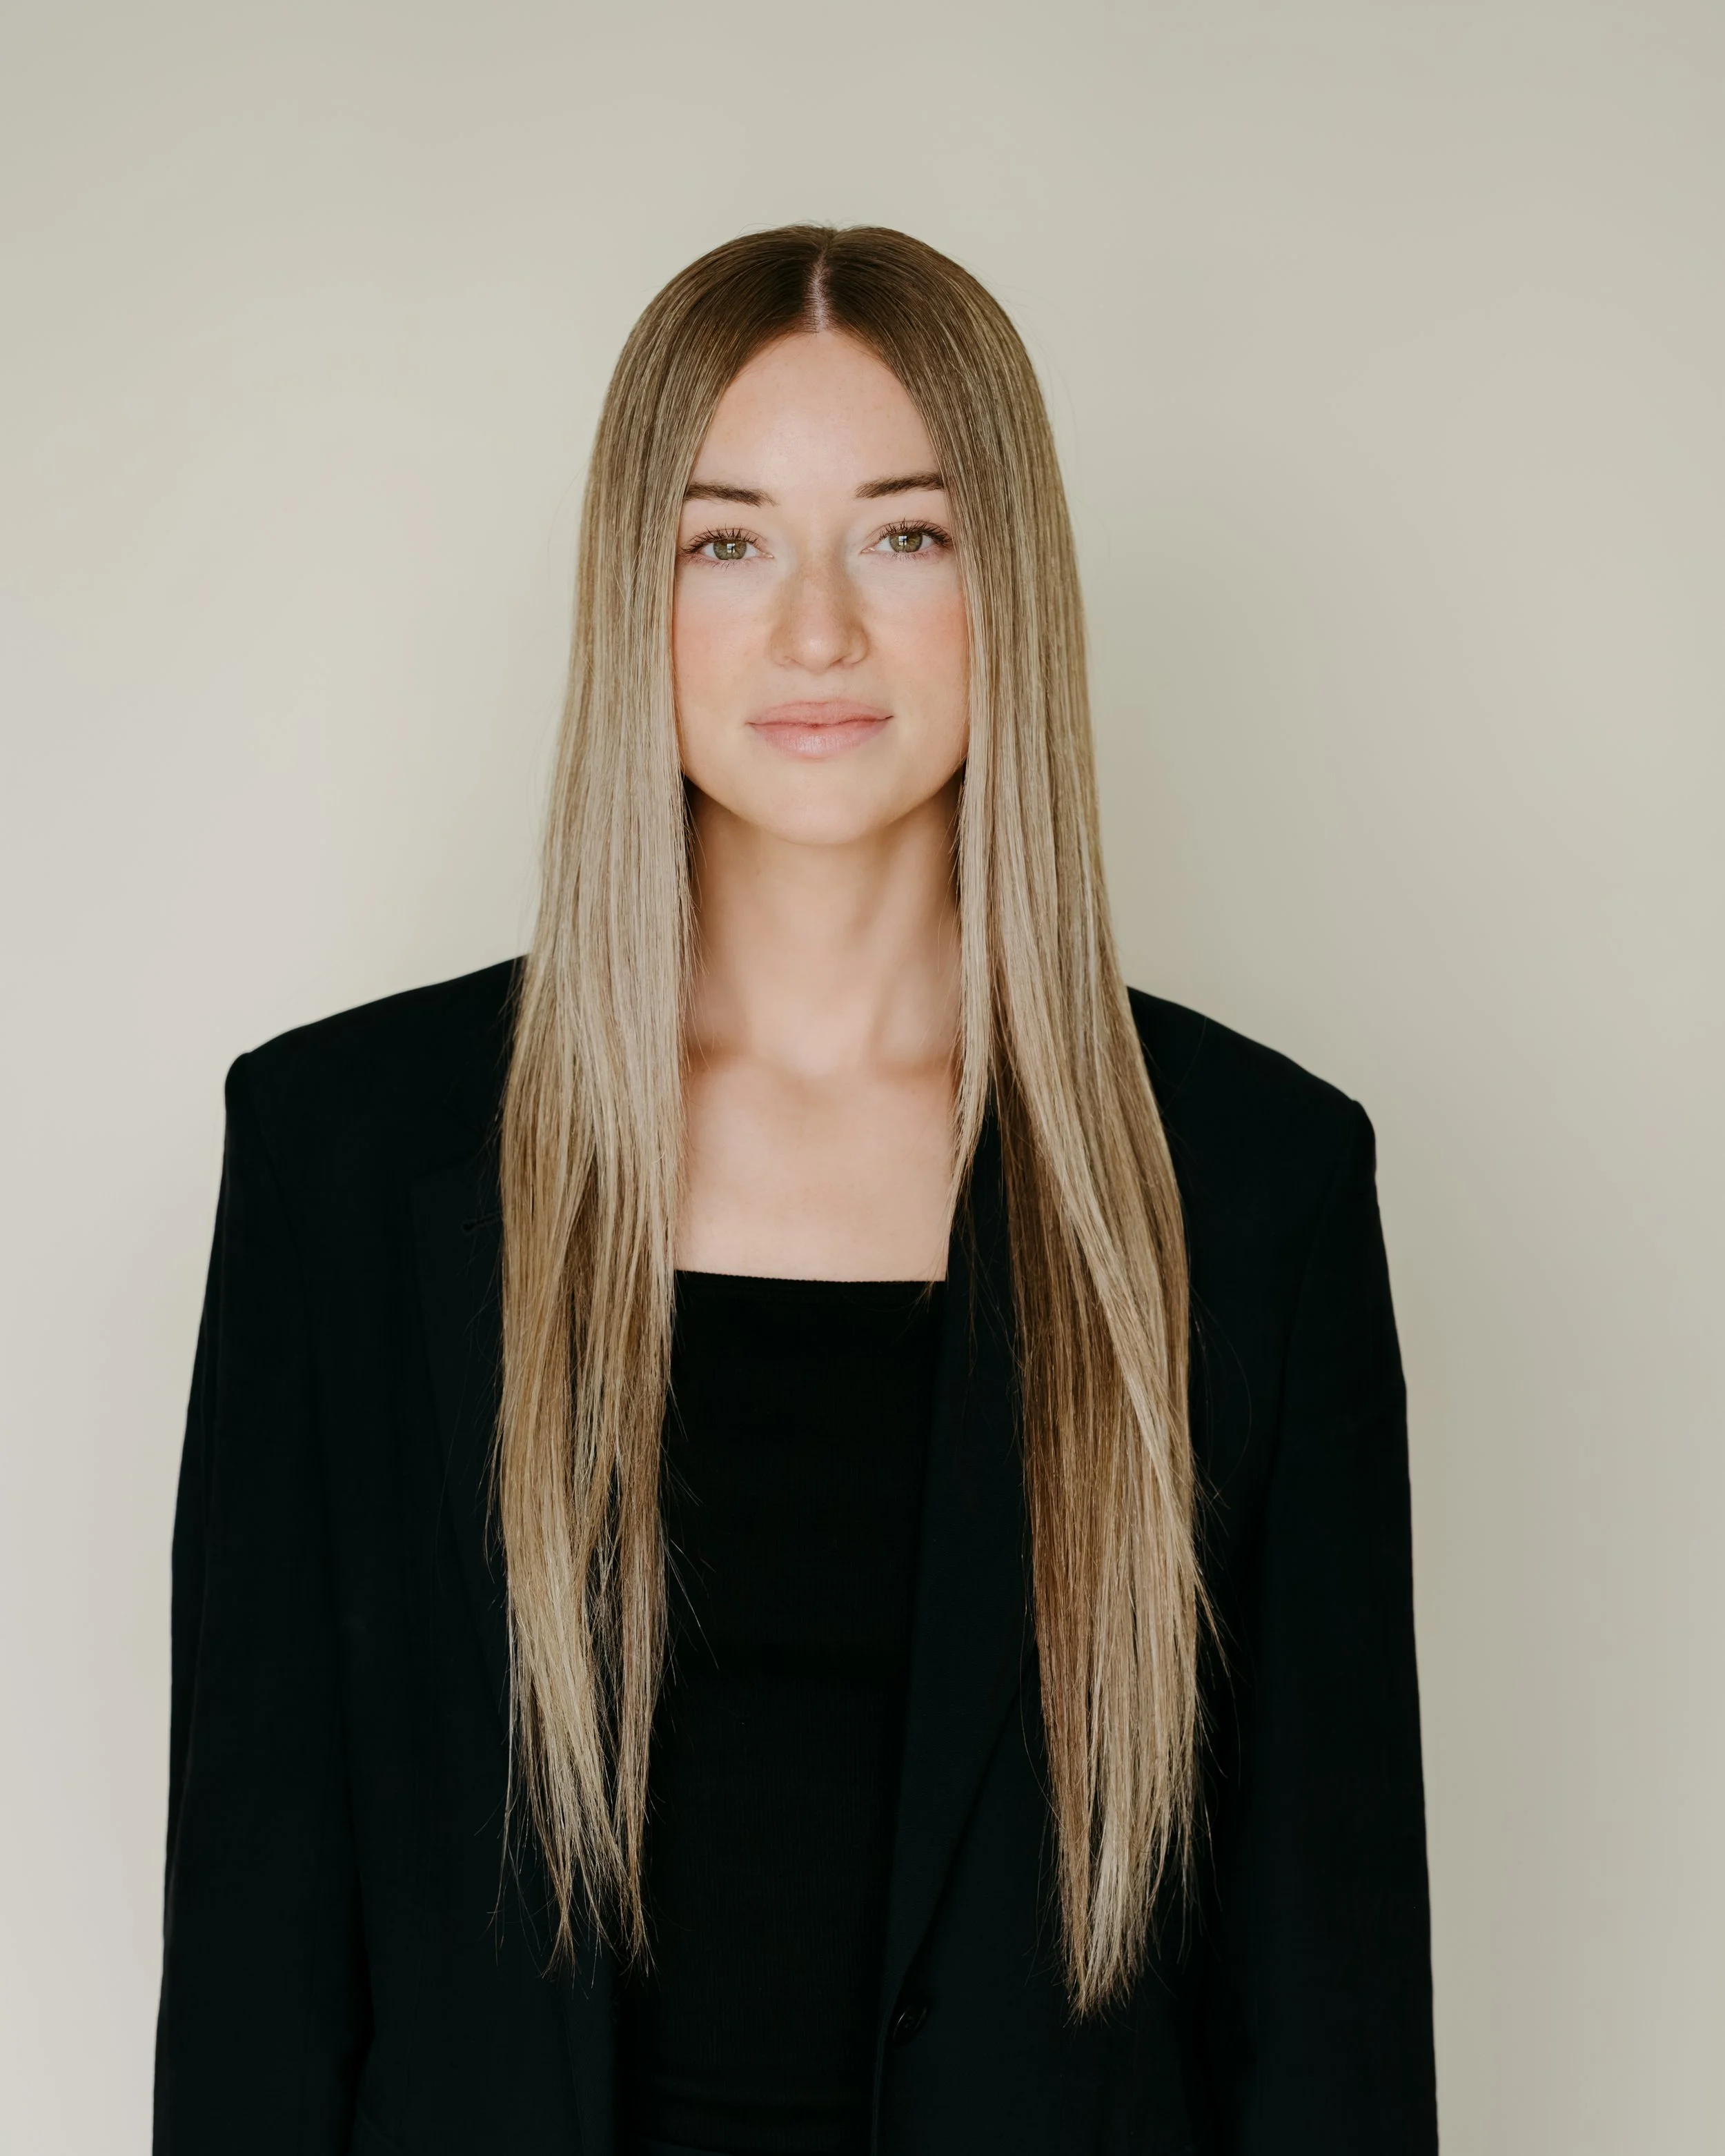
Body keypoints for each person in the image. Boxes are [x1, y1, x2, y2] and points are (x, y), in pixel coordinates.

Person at [154, 226, 1437, 2156]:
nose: (815, 630)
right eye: (727, 539)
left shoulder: (1250, 1190)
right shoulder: (346, 1160)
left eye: (904, 535)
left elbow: (1326, 2015)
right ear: (633, 595)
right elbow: (259, 1969)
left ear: (1006, 585)